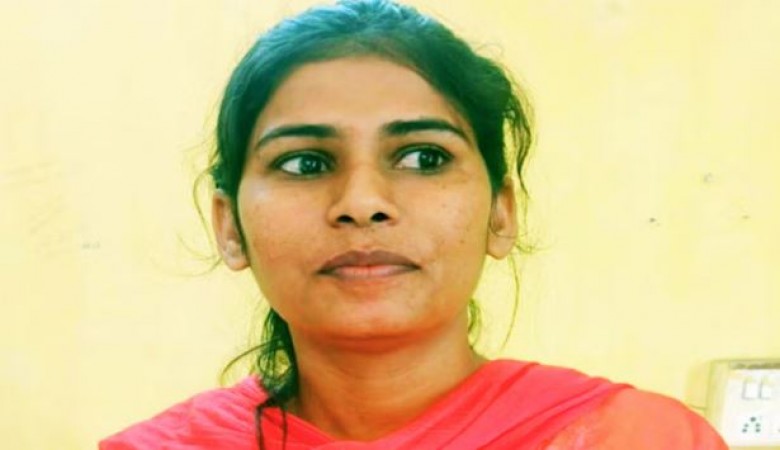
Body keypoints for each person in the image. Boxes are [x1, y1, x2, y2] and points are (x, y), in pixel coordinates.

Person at [100, 0, 727, 448]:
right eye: (304, 163)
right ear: (229, 226)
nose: (362, 202)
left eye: (424, 157)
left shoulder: (636, 438)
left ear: (501, 212)